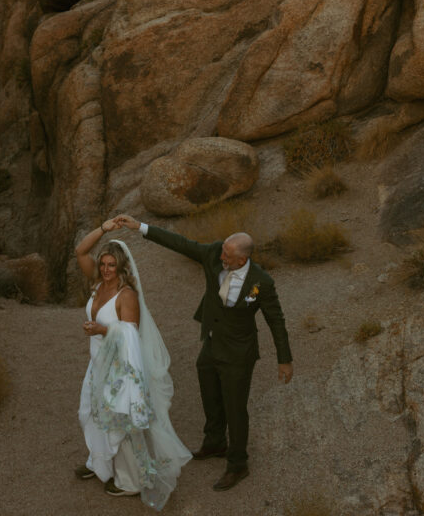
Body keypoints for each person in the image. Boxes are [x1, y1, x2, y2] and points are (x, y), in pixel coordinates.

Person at [115, 215, 293, 492]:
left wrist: (285, 360)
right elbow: (181, 243)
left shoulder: (261, 283)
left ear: (241, 261)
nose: (220, 254)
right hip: (212, 343)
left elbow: (276, 320)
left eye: (227, 254)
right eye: (222, 250)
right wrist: (140, 227)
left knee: (236, 409)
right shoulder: (213, 253)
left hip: (238, 353)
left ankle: (237, 464)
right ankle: (214, 442)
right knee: (210, 392)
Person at [75, 218, 191, 508]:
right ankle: (99, 463)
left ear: (122, 266)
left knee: (121, 425)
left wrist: (102, 330)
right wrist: (103, 228)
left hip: (120, 371)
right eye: (103, 263)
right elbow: (80, 251)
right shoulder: (97, 283)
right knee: (88, 412)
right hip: (96, 366)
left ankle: (130, 482)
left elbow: (131, 333)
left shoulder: (126, 295)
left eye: (111, 265)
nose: (105, 269)